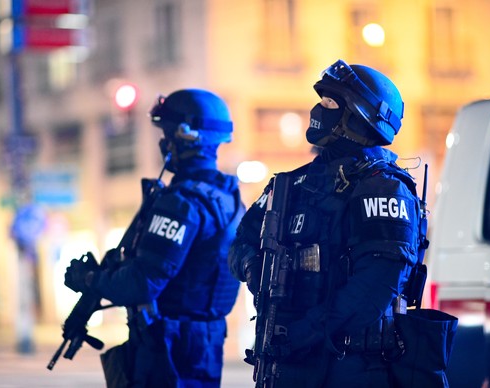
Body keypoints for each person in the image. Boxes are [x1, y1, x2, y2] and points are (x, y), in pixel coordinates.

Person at [228, 60, 424, 387]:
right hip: (287, 362)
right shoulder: (291, 184)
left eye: (330, 102)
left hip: (352, 367)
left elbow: (374, 288)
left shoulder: (383, 186)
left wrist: (305, 333)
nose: (319, 109)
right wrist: (254, 268)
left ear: (359, 115)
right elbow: (240, 243)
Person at [65, 88, 246, 387]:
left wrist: (89, 279)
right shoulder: (229, 200)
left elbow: (142, 283)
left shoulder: (181, 203)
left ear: (186, 136)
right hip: (203, 343)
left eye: (168, 133)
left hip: (168, 349)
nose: (163, 143)